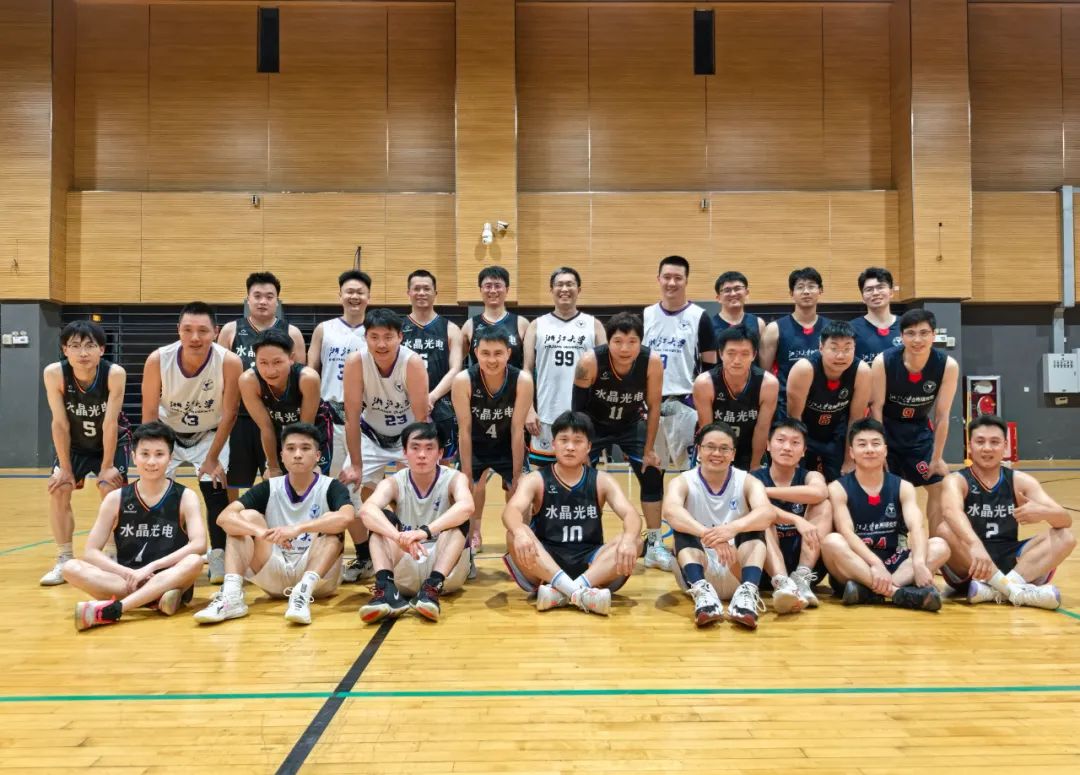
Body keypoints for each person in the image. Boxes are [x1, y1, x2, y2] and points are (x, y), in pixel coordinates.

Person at [194, 423, 355, 626]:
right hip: (274, 572)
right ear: (282, 455)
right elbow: (224, 518)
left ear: (317, 456)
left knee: (333, 522)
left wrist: (298, 528)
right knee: (245, 519)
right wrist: (261, 532)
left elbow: (347, 517)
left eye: (305, 448)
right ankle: (231, 596)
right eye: (291, 449)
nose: (297, 454)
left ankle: (302, 593)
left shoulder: (331, 486)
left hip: (318, 580)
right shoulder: (269, 487)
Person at [66, 422, 206, 631]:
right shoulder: (115, 498)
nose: (151, 461)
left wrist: (151, 568)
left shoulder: (185, 496)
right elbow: (91, 552)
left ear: (170, 458)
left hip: (170, 576)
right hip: (128, 580)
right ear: (133, 457)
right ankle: (155, 599)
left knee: (194, 561)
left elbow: (199, 544)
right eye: (145, 454)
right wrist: (127, 573)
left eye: (159, 454)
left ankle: (116, 608)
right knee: (70, 568)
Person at [502, 411, 641, 616]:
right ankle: (581, 594)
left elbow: (631, 514)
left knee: (635, 540)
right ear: (553, 444)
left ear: (589, 447)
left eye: (577, 441)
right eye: (564, 440)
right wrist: (520, 533)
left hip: (592, 563)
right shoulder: (536, 479)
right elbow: (511, 510)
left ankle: (563, 593)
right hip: (545, 563)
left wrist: (628, 540)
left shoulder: (601, 480)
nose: (570, 447)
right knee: (514, 533)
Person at [141, 301, 241, 584]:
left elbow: (230, 413)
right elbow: (149, 413)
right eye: (188, 330)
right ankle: (163, 554)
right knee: (156, 491)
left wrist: (212, 457)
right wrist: (153, 453)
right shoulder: (158, 359)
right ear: (178, 330)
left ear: (215, 332)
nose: (195, 337)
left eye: (203, 331)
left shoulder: (229, 361)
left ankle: (218, 554)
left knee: (215, 488)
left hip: (209, 434)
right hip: (166, 434)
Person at [938, 415, 1075, 609]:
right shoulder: (957, 480)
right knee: (944, 529)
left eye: (994, 442)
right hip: (970, 560)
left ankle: (999, 590)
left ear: (1005, 446)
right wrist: (975, 545)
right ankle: (1015, 592)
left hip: (1013, 560)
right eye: (980, 441)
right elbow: (950, 512)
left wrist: (1044, 512)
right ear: (969, 447)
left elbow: (1066, 520)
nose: (987, 448)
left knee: (1065, 537)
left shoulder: (1020, 481)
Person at [821, 418, 950, 611]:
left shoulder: (903, 487)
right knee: (832, 542)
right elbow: (846, 532)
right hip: (856, 564)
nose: (870, 450)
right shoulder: (838, 488)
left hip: (894, 562)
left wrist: (918, 563)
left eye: (875, 444)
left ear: (885, 450)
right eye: (862, 444)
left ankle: (869, 592)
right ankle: (898, 593)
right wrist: (875, 564)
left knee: (940, 546)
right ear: (852, 452)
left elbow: (916, 527)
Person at [572, 312, 669, 570]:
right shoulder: (589, 361)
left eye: (632, 341)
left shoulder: (652, 362)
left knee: (652, 472)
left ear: (641, 342)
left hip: (631, 423)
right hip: (594, 424)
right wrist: (581, 449)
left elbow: (654, 407)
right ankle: (586, 541)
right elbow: (578, 410)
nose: (625, 349)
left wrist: (649, 449)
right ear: (608, 341)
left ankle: (655, 544)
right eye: (618, 341)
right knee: (581, 477)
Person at [661, 423, 782, 629]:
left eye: (724, 448)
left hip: (736, 566)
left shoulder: (747, 481)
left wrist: (731, 529)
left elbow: (767, 513)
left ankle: (747, 595)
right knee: (682, 530)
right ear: (699, 450)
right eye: (710, 447)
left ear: (733, 454)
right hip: (697, 568)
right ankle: (703, 595)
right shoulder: (683, 481)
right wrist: (710, 535)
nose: (717, 453)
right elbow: (671, 511)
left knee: (756, 527)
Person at [41, 320, 131, 586]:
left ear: (101, 349)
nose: (83, 353)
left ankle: (113, 555)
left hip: (110, 442)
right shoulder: (54, 373)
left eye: (90, 346)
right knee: (59, 488)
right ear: (64, 350)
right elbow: (59, 423)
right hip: (75, 443)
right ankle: (65, 559)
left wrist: (107, 466)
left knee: (110, 489)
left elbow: (110, 423)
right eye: (75, 346)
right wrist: (65, 469)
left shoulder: (114, 373)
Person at [358, 423, 475, 623]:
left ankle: (432, 587)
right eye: (415, 447)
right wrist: (398, 537)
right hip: (406, 562)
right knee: (381, 519)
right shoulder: (393, 482)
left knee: (459, 520)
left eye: (429, 448)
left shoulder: (455, 478)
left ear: (440, 453)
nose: (422, 455)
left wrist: (424, 532)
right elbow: (366, 511)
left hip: (445, 569)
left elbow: (467, 507)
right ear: (404, 452)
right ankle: (386, 589)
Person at [870, 309, 959, 533]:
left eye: (923, 333)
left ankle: (936, 541)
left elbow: (942, 415)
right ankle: (897, 538)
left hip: (918, 431)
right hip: (887, 430)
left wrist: (937, 457)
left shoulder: (947, 365)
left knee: (940, 486)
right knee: (890, 489)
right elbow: (876, 407)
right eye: (910, 333)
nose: (917, 340)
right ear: (901, 336)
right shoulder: (883, 361)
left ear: (934, 335)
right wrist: (880, 448)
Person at [218, 272, 306, 498]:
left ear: (277, 301)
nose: (263, 301)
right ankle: (234, 517)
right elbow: (221, 378)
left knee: (280, 478)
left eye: (269, 296)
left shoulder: (292, 333)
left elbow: (299, 378)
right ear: (248, 299)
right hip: (240, 418)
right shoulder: (230, 330)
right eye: (257, 296)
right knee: (234, 478)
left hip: (279, 418)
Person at [452, 328, 533, 551]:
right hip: (475, 445)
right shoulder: (463, 380)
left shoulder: (522, 380)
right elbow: (464, 430)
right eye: (485, 353)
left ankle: (517, 537)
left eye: (498, 353)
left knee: (522, 490)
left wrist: (516, 476)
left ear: (508, 353)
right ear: (476, 353)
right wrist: (467, 475)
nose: (492, 359)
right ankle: (472, 535)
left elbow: (517, 430)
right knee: (465, 491)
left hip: (507, 444)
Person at [524, 267, 605, 467]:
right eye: (559, 284)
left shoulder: (593, 325)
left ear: (579, 289)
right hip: (545, 416)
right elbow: (526, 372)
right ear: (551, 290)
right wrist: (529, 409)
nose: (564, 289)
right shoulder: (537, 325)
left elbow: (605, 374)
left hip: (583, 416)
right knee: (542, 476)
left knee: (583, 474)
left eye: (570, 284)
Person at [341, 308, 431, 489]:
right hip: (371, 436)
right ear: (365, 337)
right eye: (374, 337)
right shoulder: (355, 362)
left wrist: (415, 453)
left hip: (409, 435)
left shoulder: (412, 363)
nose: (381, 344)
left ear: (400, 337)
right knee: (349, 486)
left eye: (388, 337)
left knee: (418, 488)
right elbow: (351, 418)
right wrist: (356, 466)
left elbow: (421, 418)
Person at [644, 256, 718, 470]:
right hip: (650, 405)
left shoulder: (699, 317)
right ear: (658, 279)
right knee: (651, 472)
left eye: (678, 278)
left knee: (691, 473)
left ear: (686, 280)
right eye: (666, 277)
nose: (672, 282)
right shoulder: (647, 315)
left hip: (685, 405)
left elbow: (711, 367)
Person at [752, 419, 830, 610]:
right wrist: (796, 519)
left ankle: (801, 579)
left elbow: (820, 492)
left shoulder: (811, 476)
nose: (787, 447)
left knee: (824, 504)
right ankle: (782, 583)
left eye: (795, 442)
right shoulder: (753, 478)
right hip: (766, 569)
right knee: (761, 517)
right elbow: (762, 511)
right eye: (780, 440)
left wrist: (764, 492)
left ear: (803, 451)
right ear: (768, 445)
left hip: (806, 565)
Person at [239, 329, 333, 478]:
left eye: (277, 362)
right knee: (274, 478)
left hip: (313, 427)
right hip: (277, 428)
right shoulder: (248, 381)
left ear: (291, 358)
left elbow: (305, 427)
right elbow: (266, 427)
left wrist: (311, 465)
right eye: (263, 362)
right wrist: (273, 466)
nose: (270, 371)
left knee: (312, 478)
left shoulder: (308, 378)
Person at [785, 320, 871, 482]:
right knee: (802, 482)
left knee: (841, 483)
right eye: (834, 348)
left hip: (836, 433)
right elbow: (794, 418)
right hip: (805, 432)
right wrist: (794, 457)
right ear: (821, 347)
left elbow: (856, 418)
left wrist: (849, 460)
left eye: (847, 349)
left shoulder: (862, 371)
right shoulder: (804, 369)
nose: (840, 356)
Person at [308, 270, 371, 474]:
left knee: (365, 479)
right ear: (340, 295)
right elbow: (311, 371)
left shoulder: (376, 332)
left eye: (360, 292)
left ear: (369, 297)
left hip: (366, 416)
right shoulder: (324, 329)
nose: (354, 296)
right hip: (330, 414)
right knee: (331, 477)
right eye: (349, 291)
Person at [693, 325, 778, 472]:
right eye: (731, 353)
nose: (737, 360)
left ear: (754, 355)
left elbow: (762, 428)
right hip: (715, 448)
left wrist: (755, 465)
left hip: (750, 448)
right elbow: (707, 429)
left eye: (745, 354)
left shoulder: (768, 384)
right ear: (721, 354)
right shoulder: (705, 383)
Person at [401, 270, 463, 463]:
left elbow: (456, 369)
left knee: (443, 463)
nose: (421, 293)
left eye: (426, 288)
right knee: (405, 462)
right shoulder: (398, 329)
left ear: (435, 293)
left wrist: (432, 397)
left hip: (441, 405)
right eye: (416, 288)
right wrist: (415, 399)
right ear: (408, 293)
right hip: (403, 405)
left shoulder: (451, 328)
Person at [759, 267, 832, 417]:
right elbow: (764, 374)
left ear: (820, 291)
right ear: (791, 293)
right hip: (785, 405)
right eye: (800, 287)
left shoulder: (832, 329)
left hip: (824, 404)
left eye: (811, 286)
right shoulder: (774, 329)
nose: (806, 292)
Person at [460, 265, 529, 369]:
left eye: (497, 286)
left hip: (513, 379)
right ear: (481, 290)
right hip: (478, 380)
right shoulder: (469, 325)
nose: (493, 291)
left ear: (507, 289)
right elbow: (454, 362)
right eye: (488, 286)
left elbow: (529, 365)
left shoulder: (522, 324)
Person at [851, 267, 902, 365]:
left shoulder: (906, 326)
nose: (875, 293)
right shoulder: (851, 329)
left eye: (880, 287)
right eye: (869, 289)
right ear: (862, 297)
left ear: (891, 292)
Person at [712, 271, 764, 338]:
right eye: (727, 290)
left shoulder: (759, 323)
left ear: (746, 293)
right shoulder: (709, 326)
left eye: (737, 289)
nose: (733, 294)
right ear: (718, 298)